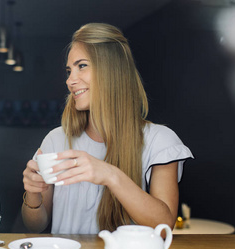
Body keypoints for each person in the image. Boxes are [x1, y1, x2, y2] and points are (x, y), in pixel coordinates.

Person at [22, 23, 193, 234]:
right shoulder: (56, 139)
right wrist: (33, 195)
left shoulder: (160, 140)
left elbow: (164, 226)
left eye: (81, 66)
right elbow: (35, 225)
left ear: (112, 70)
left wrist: (110, 175)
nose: (70, 80)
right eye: (69, 70)